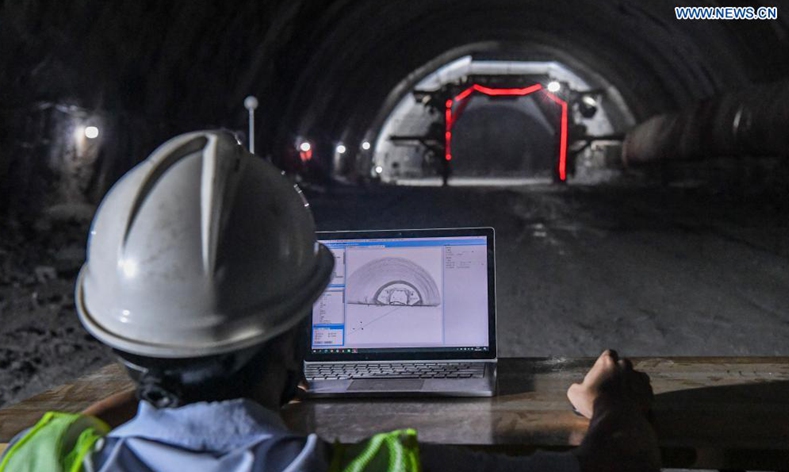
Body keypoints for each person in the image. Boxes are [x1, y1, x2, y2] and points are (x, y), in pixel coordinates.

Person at [0, 131, 660, 472]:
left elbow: (95, 421)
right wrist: (612, 402)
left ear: (118, 335)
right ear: (296, 329)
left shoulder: (46, 458)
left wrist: (194, 381)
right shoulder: (376, 466)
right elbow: (616, 467)